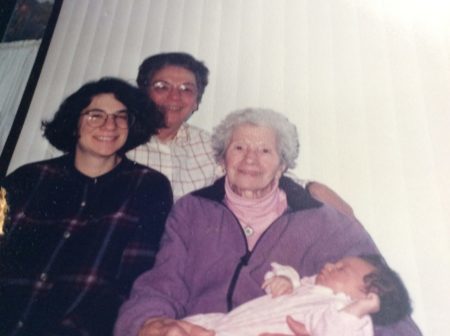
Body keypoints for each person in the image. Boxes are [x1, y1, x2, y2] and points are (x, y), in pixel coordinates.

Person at [114, 108, 421, 336]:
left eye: (264, 150)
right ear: (222, 158)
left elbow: (393, 312)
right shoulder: (192, 211)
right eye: (239, 148)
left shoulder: (326, 223)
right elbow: (161, 284)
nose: (250, 159)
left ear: (282, 164)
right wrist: (149, 323)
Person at [0, 78, 173, 335]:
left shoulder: (149, 186)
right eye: (95, 115)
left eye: (121, 117)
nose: (109, 125)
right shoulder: (26, 179)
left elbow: (131, 282)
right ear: (74, 122)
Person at [127, 52, 354, 217]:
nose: (175, 97)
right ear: (143, 92)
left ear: (196, 102)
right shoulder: (118, 139)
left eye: (187, 89)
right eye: (162, 86)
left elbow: (259, 172)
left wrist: (312, 188)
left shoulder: (207, 144)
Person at [183, 255, 412, 336]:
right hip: (224, 323)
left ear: (366, 296)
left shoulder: (338, 309)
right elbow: (292, 276)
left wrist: (357, 310)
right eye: (336, 262)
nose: (330, 265)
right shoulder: (308, 286)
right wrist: (284, 279)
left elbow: (337, 329)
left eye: (341, 269)